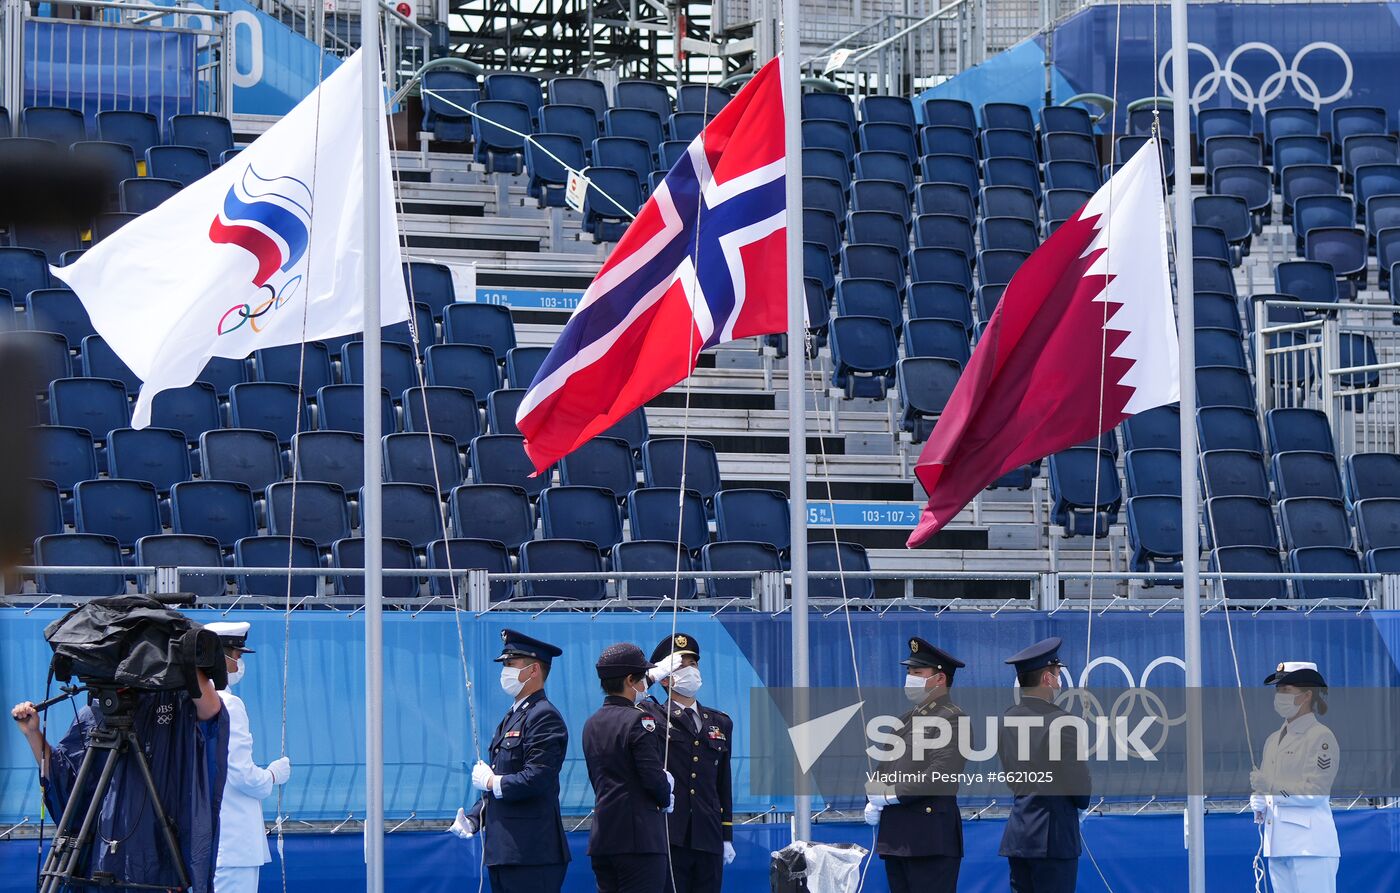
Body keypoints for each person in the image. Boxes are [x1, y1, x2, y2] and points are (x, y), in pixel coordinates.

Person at [11, 670, 227, 892]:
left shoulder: (174, 704)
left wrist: (186, 658)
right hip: (101, 860)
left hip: (157, 858)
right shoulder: (95, 713)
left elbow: (211, 712)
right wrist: (32, 733)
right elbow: (64, 781)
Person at [448, 628, 571, 892]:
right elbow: (505, 776)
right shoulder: (513, 716)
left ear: (534, 670)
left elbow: (537, 777)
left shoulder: (543, 716)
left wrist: (492, 782)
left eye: (511, 664)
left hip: (532, 853)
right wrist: (474, 816)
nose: (505, 672)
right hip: (505, 851)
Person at [865, 636, 967, 893]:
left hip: (929, 839)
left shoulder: (953, 719)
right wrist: (873, 796)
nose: (910, 678)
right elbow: (884, 767)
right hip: (896, 838)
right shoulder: (906, 719)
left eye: (918, 672)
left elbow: (940, 774)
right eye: (909, 672)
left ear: (940, 679)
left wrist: (890, 796)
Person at [642, 633, 734, 893]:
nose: (690, 671)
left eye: (693, 664)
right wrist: (650, 677)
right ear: (666, 676)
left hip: (708, 835)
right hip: (670, 834)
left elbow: (722, 783)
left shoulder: (719, 722)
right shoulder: (650, 716)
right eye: (681, 666)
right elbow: (624, 703)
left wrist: (726, 835)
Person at [997, 636, 1090, 893]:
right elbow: (1077, 781)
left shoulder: (1007, 719)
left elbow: (1011, 775)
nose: (1059, 682)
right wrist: (1080, 804)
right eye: (1057, 674)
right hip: (1054, 836)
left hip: (1020, 834)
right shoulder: (1061, 721)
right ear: (1047, 679)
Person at [205, 621, 291, 893]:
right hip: (232, 841)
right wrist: (273, 775)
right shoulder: (229, 705)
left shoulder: (187, 701)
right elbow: (242, 776)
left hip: (201, 837)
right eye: (237, 656)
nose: (239, 665)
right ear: (221, 659)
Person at [583, 642, 674, 893]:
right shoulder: (640, 719)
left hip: (604, 838)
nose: (646, 682)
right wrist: (666, 793)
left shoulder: (592, 723)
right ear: (630, 680)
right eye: (643, 677)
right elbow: (651, 777)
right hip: (639, 840)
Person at [1250, 661, 1339, 893]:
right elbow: (1271, 789)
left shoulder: (1320, 737)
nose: (1280, 696)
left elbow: (1315, 792)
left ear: (1307, 695)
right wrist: (1260, 801)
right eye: (1278, 691)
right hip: (1278, 845)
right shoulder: (1272, 740)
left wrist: (1270, 787)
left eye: (1286, 691)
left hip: (1310, 848)